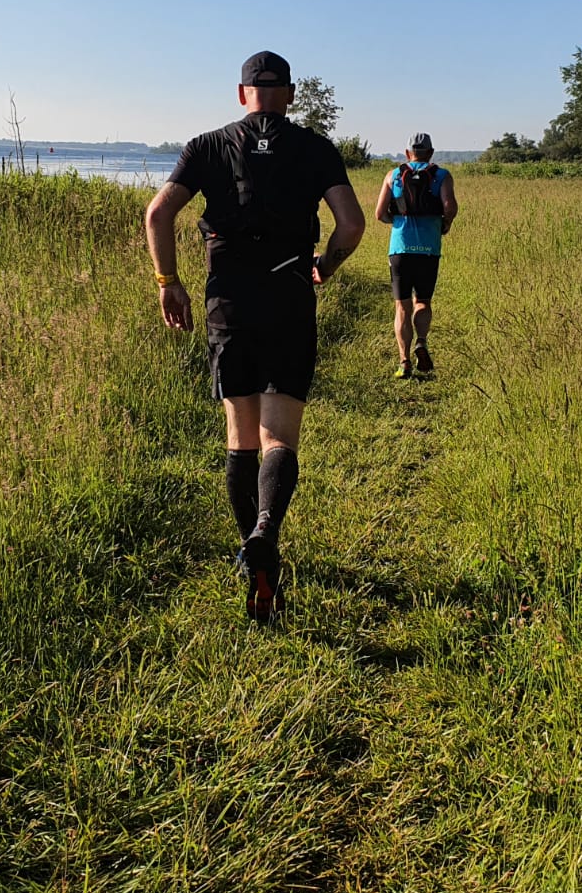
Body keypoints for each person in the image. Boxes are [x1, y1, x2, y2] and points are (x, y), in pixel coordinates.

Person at [145, 51, 365, 621]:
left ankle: (253, 551)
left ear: (241, 93)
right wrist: (328, 265)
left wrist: (169, 283)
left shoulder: (207, 145)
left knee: (241, 436)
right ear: (288, 94)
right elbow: (352, 224)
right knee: (280, 436)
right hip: (290, 295)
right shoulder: (315, 148)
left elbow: (157, 215)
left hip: (229, 303)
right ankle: (266, 533)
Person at [374, 132, 457, 379]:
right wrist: (445, 224)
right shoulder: (441, 175)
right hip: (429, 250)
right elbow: (449, 206)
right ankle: (421, 340)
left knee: (402, 306)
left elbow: (379, 214)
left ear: (407, 153)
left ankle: (404, 361)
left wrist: (396, 221)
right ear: (430, 153)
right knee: (423, 301)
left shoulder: (393, 175)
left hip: (400, 249)